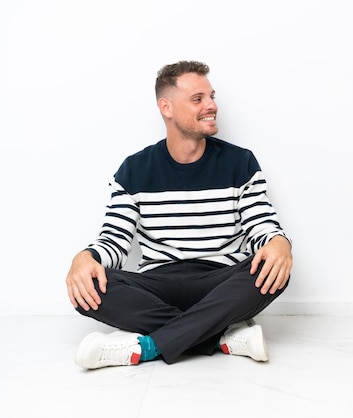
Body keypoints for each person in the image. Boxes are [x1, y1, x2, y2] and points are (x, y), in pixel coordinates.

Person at [65, 60, 293, 369]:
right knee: (87, 286)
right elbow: (115, 240)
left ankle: (146, 347)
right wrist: (86, 257)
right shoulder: (134, 169)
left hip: (219, 281)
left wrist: (279, 242)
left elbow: (260, 226)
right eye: (198, 99)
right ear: (166, 107)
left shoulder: (241, 162)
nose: (211, 105)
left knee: (273, 268)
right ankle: (221, 337)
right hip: (159, 284)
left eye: (211, 96)